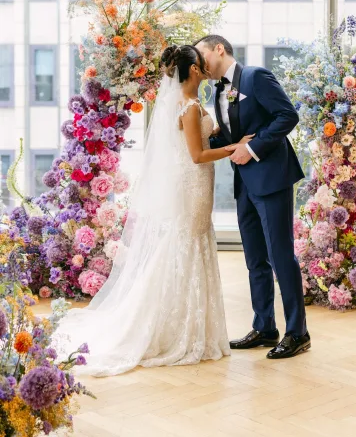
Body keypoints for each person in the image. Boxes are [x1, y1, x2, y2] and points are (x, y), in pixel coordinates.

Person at [53, 44, 253, 377]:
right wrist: (237, 146)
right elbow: (197, 156)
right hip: (193, 183)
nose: (206, 68)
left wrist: (217, 131)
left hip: (195, 184)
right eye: (201, 64)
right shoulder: (188, 107)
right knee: (187, 243)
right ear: (192, 70)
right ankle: (176, 328)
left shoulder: (187, 105)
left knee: (190, 242)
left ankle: (192, 325)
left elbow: (194, 140)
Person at [195, 35, 310, 359]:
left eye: (202, 53)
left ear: (219, 49)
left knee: (280, 255)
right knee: (255, 258)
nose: (200, 63)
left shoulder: (255, 76)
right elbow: (235, 130)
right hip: (244, 183)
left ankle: (298, 332)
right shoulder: (217, 90)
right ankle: (264, 327)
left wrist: (254, 147)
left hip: (271, 178)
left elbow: (287, 115)